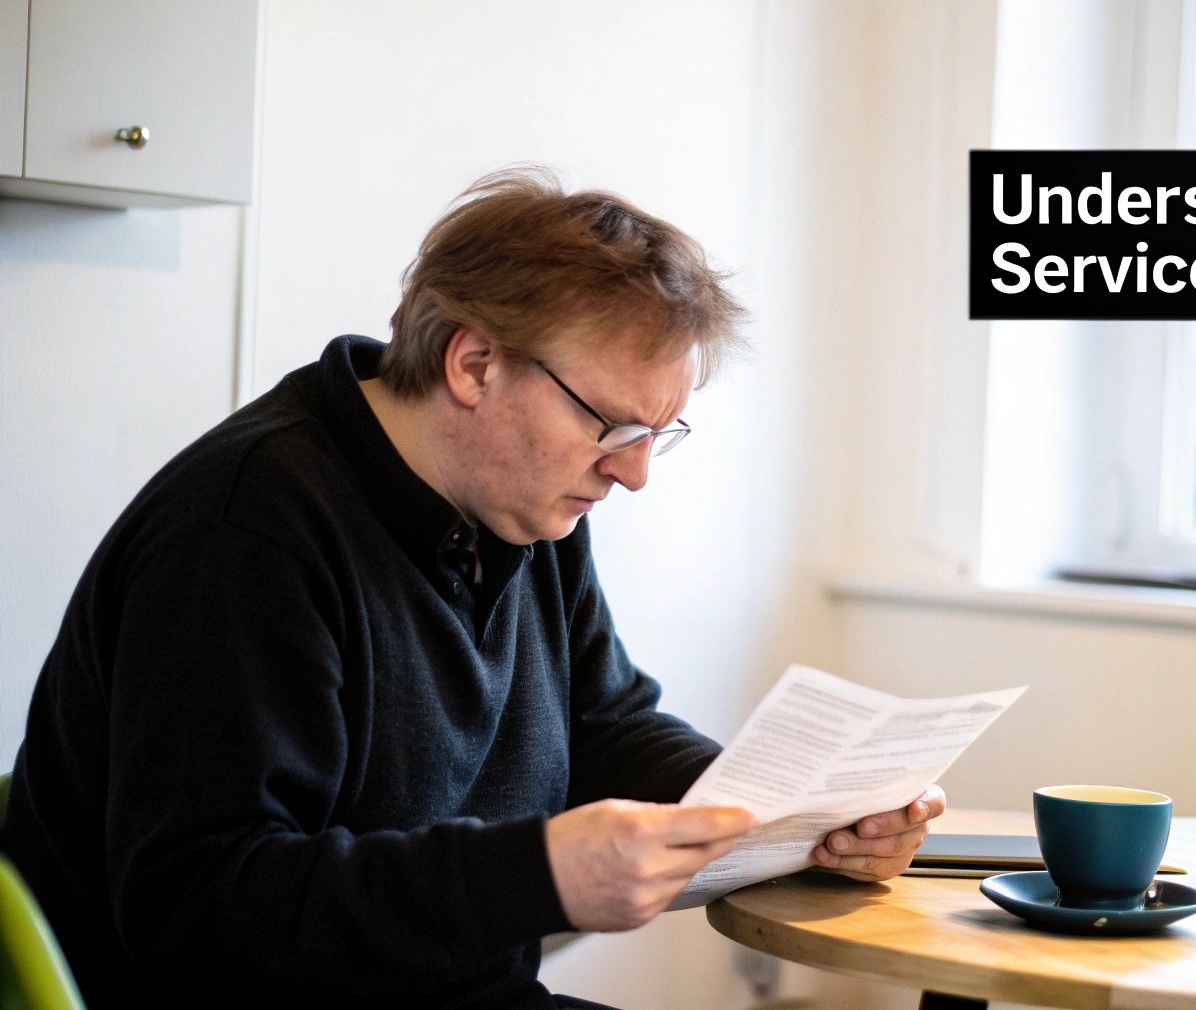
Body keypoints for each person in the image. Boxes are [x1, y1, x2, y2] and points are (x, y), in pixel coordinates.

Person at [0, 167, 944, 1008]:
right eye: (615, 427)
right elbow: (200, 909)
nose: (636, 474)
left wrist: (787, 815)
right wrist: (533, 874)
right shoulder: (246, 531)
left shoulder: (524, 508)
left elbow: (603, 725)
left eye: (661, 434)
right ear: (474, 362)